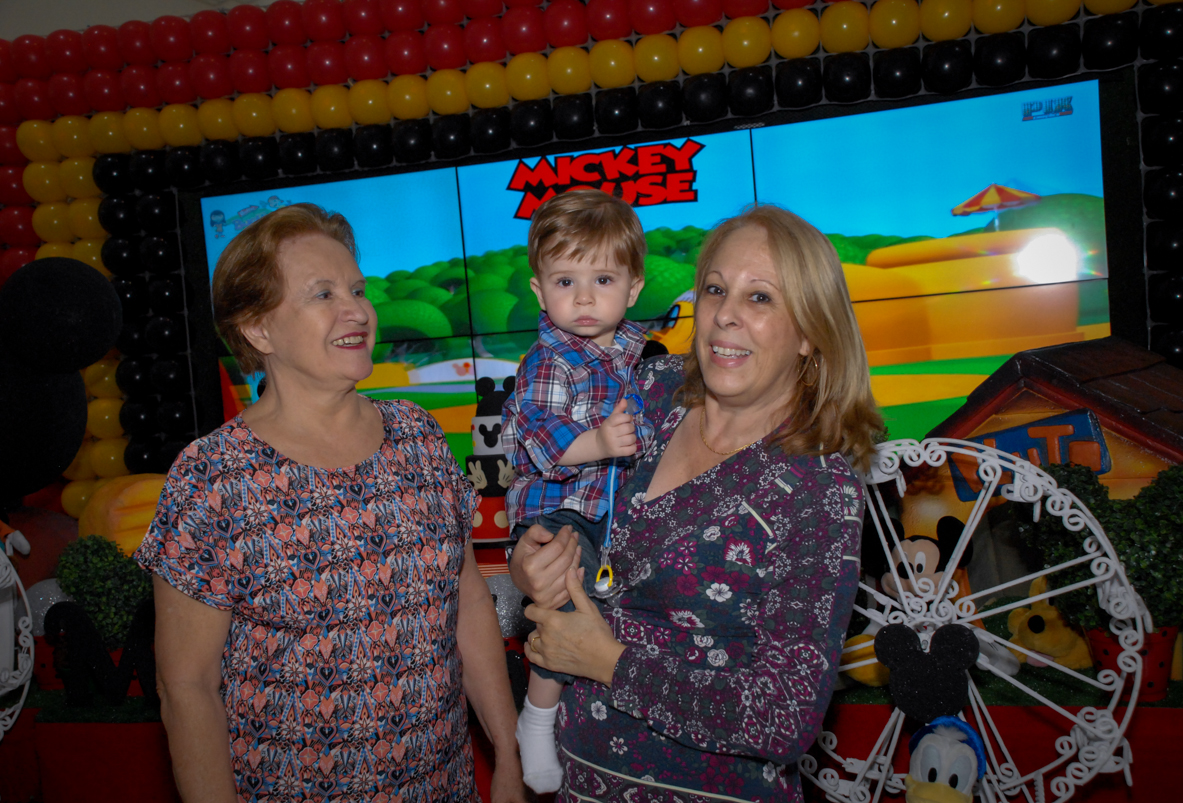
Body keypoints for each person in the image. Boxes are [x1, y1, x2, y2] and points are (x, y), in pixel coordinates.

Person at [134, 203, 525, 803]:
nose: (358, 310)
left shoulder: (418, 437)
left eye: (358, 289)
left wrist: (506, 756)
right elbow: (186, 686)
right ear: (258, 329)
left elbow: (468, 602)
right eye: (323, 294)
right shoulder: (212, 478)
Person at [510, 204, 883, 801]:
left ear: (811, 330)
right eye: (714, 289)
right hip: (576, 780)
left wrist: (610, 662)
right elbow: (559, 497)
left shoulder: (817, 488)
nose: (726, 315)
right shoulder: (651, 396)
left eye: (760, 298)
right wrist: (530, 559)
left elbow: (784, 720)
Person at [500, 190, 652, 793]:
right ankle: (536, 717)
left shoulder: (635, 354)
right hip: (559, 512)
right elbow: (540, 441)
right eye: (565, 280)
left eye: (603, 278)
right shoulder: (547, 360)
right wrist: (600, 442)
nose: (584, 297)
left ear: (634, 288)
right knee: (566, 596)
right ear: (539, 291)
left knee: (608, 609)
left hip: (609, 514)